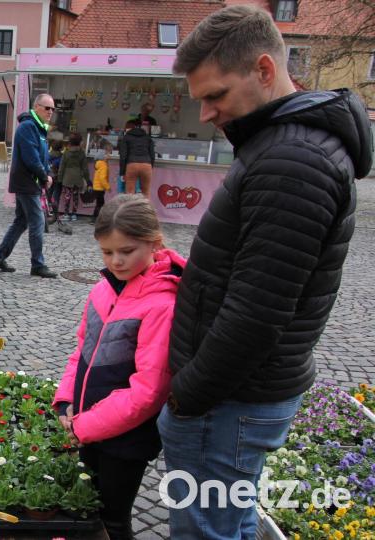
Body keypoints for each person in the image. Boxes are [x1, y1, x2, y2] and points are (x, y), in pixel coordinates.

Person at [158, 5, 372, 538]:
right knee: (231, 521)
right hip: (238, 396)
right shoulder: (283, 144)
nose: (206, 113)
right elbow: (259, 271)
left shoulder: (291, 159)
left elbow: (257, 313)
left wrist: (187, 395)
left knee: (210, 531)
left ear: (263, 70)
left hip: (229, 400)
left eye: (215, 95)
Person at [55, 195, 184, 540]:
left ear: (154, 243)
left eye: (126, 251)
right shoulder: (102, 289)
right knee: (88, 511)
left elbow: (149, 391)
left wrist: (85, 425)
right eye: (107, 252)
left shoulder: (161, 305)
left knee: (112, 520)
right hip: (87, 424)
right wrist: (66, 400)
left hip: (126, 438)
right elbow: (81, 350)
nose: (116, 261)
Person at [0, 94, 59, 278]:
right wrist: (44, 177)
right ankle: (37, 264)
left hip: (29, 183)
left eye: (52, 109)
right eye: (47, 108)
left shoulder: (39, 128)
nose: (50, 112)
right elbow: (31, 159)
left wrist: (48, 173)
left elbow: (43, 158)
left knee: (21, 221)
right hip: (27, 184)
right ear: (36, 107)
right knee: (37, 221)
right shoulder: (28, 127)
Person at [57, 133, 89, 222]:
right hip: (78, 178)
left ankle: (66, 214)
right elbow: (85, 168)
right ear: (79, 142)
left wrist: (59, 179)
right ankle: (74, 214)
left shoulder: (66, 153)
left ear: (70, 142)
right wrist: (87, 179)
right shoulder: (82, 153)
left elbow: (61, 167)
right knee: (75, 196)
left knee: (67, 196)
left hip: (67, 178)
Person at [118, 120, 154, 196]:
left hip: (132, 165)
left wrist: (122, 172)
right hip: (146, 165)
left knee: (130, 192)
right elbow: (152, 155)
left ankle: (130, 207)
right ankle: (146, 208)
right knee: (146, 192)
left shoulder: (126, 137)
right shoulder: (148, 137)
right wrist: (151, 167)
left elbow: (123, 156)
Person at [91, 147, 110, 222]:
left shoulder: (99, 164)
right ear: (103, 157)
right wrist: (108, 187)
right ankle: (96, 218)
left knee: (99, 204)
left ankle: (95, 218)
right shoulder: (103, 165)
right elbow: (102, 179)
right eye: (106, 154)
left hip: (96, 187)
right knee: (100, 204)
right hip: (100, 188)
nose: (108, 155)